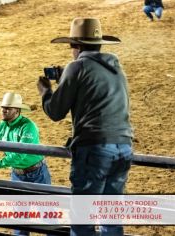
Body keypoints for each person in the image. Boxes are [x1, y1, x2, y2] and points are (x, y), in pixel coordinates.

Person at [37, 18, 133, 236]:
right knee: (112, 217)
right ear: (99, 44)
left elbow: (55, 111)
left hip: (95, 148)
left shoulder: (76, 66)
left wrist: (45, 91)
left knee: (83, 219)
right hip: (124, 146)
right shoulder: (114, 64)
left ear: (75, 46)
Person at [0, 92, 52, 235]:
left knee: (47, 216)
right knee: (20, 217)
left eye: (8, 108)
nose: (4, 110)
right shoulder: (3, 125)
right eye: (3, 107)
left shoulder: (28, 126)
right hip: (22, 173)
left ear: (17, 110)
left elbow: (20, 154)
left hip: (36, 174)